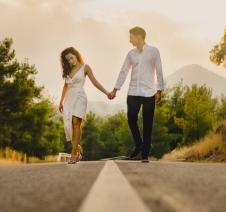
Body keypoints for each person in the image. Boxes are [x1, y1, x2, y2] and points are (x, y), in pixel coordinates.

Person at [109, 27, 163, 162]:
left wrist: (159, 90)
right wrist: (116, 88)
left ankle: (145, 155)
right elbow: (124, 71)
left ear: (139, 37)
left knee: (147, 123)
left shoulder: (154, 51)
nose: (129, 40)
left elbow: (159, 71)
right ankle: (139, 144)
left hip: (149, 92)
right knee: (131, 119)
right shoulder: (130, 54)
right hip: (133, 91)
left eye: (131, 37)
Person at [59, 47, 112, 164]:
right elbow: (65, 86)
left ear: (77, 55)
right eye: (67, 60)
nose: (70, 61)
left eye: (71, 58)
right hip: (69, 98)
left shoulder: (85, 67)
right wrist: (61, 101)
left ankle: (73, 153)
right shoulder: (68, 70)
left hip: (80, 97)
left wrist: (107, 92)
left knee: (76, 123)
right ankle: (77, 147)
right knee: (69, 127)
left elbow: (95, 82)